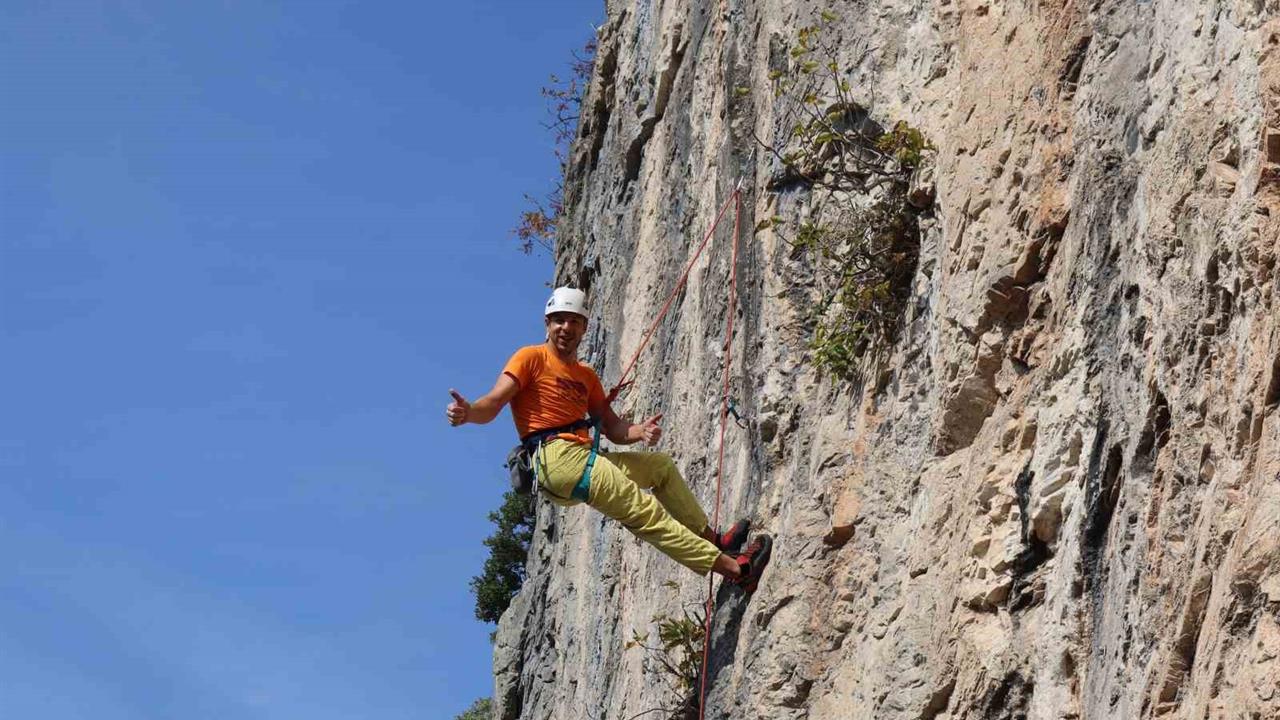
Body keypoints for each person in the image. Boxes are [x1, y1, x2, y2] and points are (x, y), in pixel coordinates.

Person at [446, 287, 772, 591]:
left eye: (574, 321)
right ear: (547, 324)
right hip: (557, 458)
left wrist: (639, 431)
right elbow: (494, 402)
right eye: (559, 320)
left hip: (583, 458)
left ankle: (714, 540)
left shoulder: (586, 376)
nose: (566, 328)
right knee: (643, 511)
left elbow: (613, 427)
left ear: (584, 328)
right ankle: (737, 570)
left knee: (659, 468)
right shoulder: (530, 358)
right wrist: (469, 412)